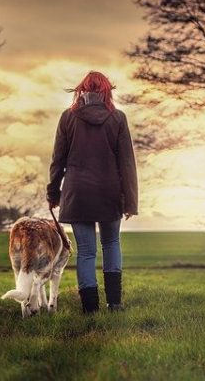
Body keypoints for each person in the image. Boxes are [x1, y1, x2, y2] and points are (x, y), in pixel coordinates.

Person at [46, 70, 138, 314]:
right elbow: (127, 163)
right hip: (110, 192)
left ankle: (90, 310)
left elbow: (58, 160)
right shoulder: (118, 118)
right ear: (107, 92)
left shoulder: (68, 118)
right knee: (111, 243)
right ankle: (115, 304)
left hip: (78, 193)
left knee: (86, 252)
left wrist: (53, 193)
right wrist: (130, 202)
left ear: (81, 91)